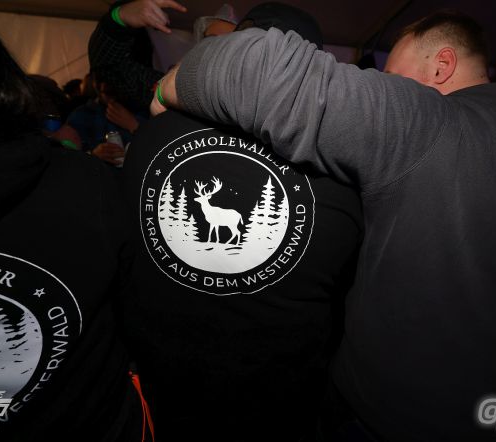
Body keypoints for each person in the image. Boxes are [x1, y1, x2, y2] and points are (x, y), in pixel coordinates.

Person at [153, 10, 496, 440]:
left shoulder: (430, 124)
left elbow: (253, 66)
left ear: (441, 66)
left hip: (398, 424)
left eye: (392, 76)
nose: (386, 85)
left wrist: (170, 85)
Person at [122, 3, 361, 441]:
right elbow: (346, 288)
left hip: (163, 394)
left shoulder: (152, 132)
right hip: (282, 402)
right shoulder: (338, 165)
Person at [0, 2, 149, 440]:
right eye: (100, 83)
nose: (105, 89)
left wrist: (134, 134)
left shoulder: (90, 179)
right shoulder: (83, 129)